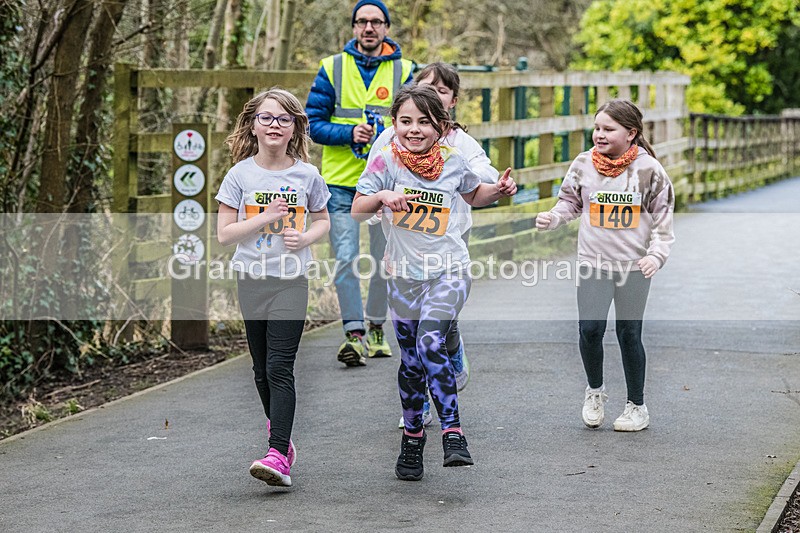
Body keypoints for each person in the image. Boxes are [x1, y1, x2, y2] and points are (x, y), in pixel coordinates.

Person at [352, 85, 517, 480]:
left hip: (449, 270)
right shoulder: (385, 162)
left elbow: (474, 194)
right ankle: (412, 440)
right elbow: (358, 210)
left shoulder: (453, 161)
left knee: (430, 341)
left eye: (424, 122)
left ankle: (452, 433)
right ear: (394, 124)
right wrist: (383, 198)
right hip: (402, 276)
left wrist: (500, 190)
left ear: (441, 127)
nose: (414, 129)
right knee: (411, 362)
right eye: (406, 121)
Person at [368, 62, 499, 427]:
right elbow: (372, 180)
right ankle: (421, 405)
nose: (431, 97)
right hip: (404, 242)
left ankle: (451, 360)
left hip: (451, 236)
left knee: (438, 325)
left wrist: (494, 186)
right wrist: (381, 198)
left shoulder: (459, 144)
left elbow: (481, 175)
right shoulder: (393, 140)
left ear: (451, 102)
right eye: (425, 88)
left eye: (440, 91)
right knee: (415, 338)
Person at [536, 99, 675, 432]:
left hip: (633, 267)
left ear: (631, 133)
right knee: (589, 330)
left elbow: (663, 222)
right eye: (597, 127)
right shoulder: (584, 163)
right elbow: (569, 202)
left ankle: (636, 406)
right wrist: (554, 218)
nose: (599, 134)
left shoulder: (649, 170)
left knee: (629, 333)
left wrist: (656, 255)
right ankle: (595, 392)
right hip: (592, 264)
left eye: (608, 129)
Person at [216, 88, 331, 487]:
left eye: (284, 119)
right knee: (261, 371)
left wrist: (307, 238)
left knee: (280, 366)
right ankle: (280, 439)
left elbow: (323, 220)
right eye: (266, 118)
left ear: (295, 127)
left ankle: (278, 452)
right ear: (253, 124)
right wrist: (264, 218)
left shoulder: (307, 174)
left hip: (291, 280)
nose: (274, 125)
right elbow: (225, 235)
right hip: (250, 278)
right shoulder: (240, 175)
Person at [305, 0, 414, 367]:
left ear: (386, 27)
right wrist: (349, 132)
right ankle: (353, 334)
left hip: (389, 184)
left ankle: (377, 327)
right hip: (341, 183)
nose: (369, 28)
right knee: (346, 258)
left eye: (376, 22)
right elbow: (312, 123)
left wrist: (386, 133)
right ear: (353, 28)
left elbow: (420, 123)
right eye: (362, 22)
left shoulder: (406, 71)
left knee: (387, 260)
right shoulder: (332, 68)